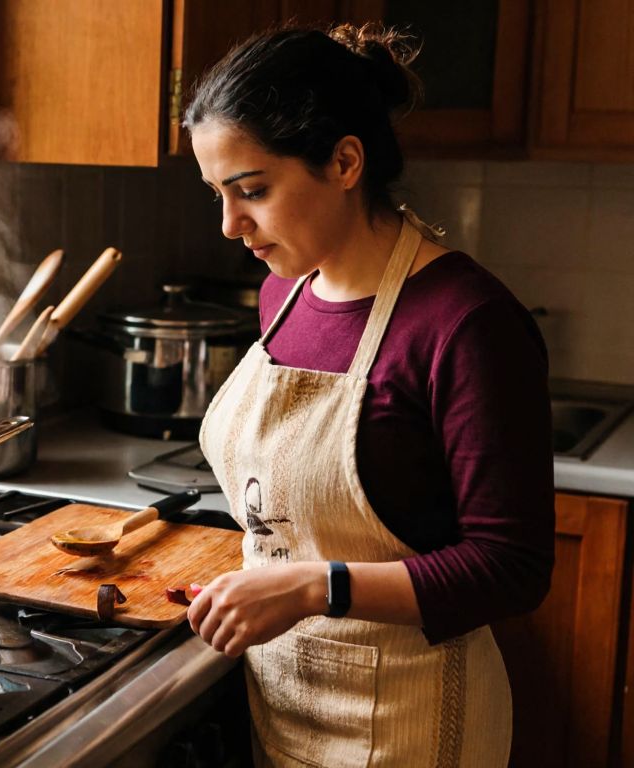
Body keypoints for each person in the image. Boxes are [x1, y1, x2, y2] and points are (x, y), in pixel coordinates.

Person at [184, 23, 554, 766]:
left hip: (413, 724)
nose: (230, 225)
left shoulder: (465, 323)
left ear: (345, 160)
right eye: (218, 195)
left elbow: (511, 565)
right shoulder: (281, 294)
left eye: (252, 190)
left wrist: (310, 588)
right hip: (284, 705)